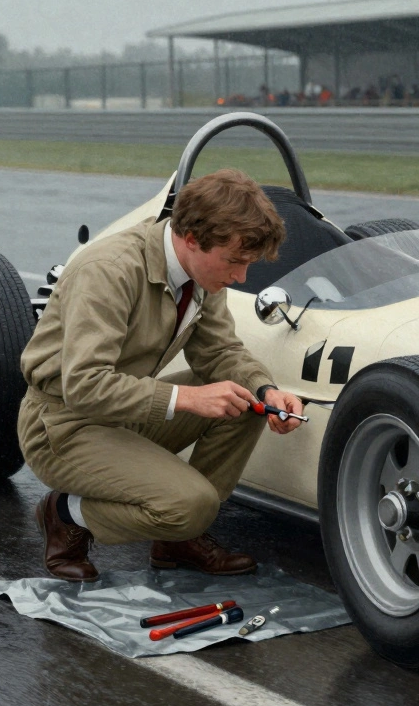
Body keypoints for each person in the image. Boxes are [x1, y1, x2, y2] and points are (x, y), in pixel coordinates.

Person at [18, 169, 302, 582]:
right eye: (235, 261)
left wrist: (267, 391)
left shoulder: (202, 273)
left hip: (122, 411)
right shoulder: (109, 269)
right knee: (192, 504)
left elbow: (220, 352)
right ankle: (65, 514)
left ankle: (178, 540)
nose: (241, 277)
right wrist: (186, 399)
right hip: (62, 424)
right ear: (191, 239)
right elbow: (83, 385)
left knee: (243, 402)